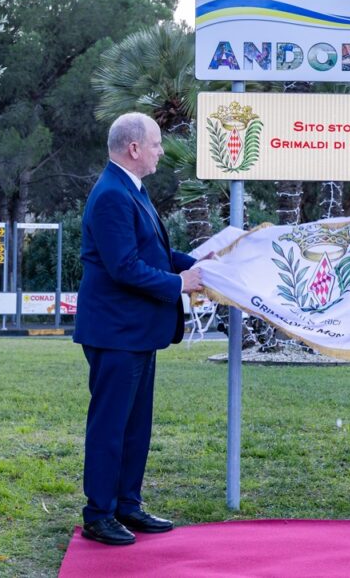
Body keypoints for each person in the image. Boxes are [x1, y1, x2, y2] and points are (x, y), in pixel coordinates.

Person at [74, 112, 206, 546]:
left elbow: (153, 251)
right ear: (134, 148)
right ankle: (99, 514)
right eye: (156, 143)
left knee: (135, 425)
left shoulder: (131, 190)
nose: (161, 150)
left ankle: (127, 505)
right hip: (116, 333)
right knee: (111, 425)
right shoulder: (113, 194)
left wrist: (198, 265)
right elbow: (124, 267)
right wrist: (178, 284)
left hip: (136, 332)